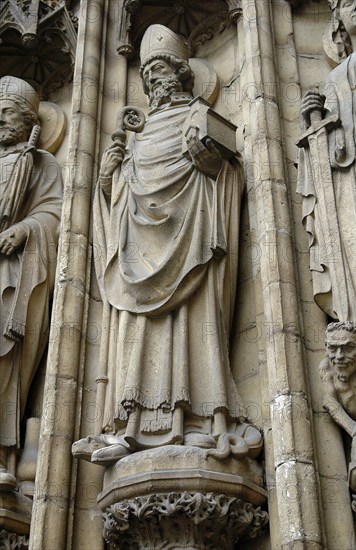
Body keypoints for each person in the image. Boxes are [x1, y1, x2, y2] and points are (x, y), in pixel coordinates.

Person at [73, 24, 262, 465]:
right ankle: (129, 427)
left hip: (191, 244)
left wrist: (206, 157)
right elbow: (124, 195)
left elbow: (227, 173)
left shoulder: (198, 115)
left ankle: (197, 421)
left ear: (181, 74)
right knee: (138, 331)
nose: (155, 79)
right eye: (149, 73)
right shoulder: (137, 135)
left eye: (162, 69)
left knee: (194, 329)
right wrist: (111, 176)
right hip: (141, 252)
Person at [0, 76, 63, 489]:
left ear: (26, 121)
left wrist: (25, 230)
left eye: (6, 113)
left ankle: (2, 453)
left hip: (11, 273)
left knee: (4, 359)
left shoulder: (43, 165)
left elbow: (56, 216)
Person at [297, 0, 356, 334]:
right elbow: (329, 144)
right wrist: (315, 124)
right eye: (350, 3)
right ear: (337, 19)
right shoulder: (335, 78)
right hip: (354, 173)